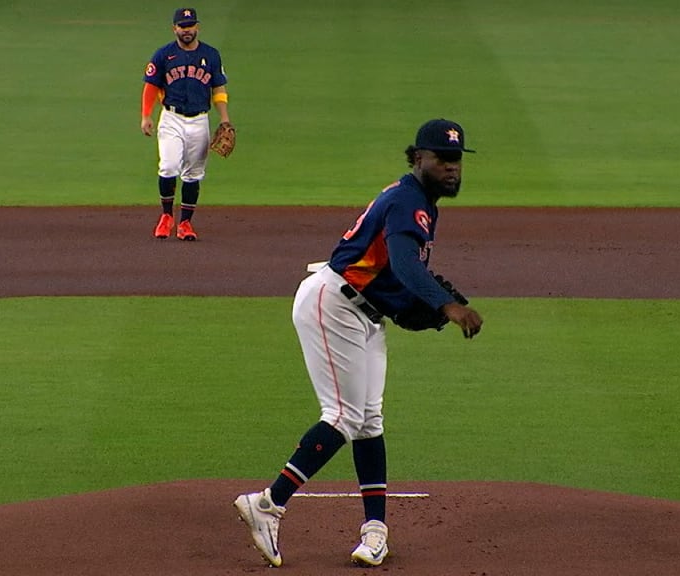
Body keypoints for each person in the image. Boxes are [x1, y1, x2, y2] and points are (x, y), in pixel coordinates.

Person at [233, 119, 485, 568]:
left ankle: (375, 532)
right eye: (441, 159)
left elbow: (393, 276)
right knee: (344, 416)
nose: (451, 168)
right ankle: (268, 504)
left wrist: (415, 307)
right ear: (417, 159)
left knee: (369, 419)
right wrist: (447, 307)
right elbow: (407, 266)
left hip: (363, 311)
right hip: (335, 303)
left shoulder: (418, 200)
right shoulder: (408, 200)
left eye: (457, 160)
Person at [140, 7, 230, 240]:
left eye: (190, 26)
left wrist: (225, 117)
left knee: (193, 174)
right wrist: (146, 115)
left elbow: (218, 88)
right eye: (182, 26)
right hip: (171, 118)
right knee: (168, 167)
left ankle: (185, 224)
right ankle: (166, 217)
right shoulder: (163, 55)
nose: (186, 30)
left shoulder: (211, 55)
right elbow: (150, 85)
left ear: (197, 27)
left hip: (200, 120)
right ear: (175, 28)